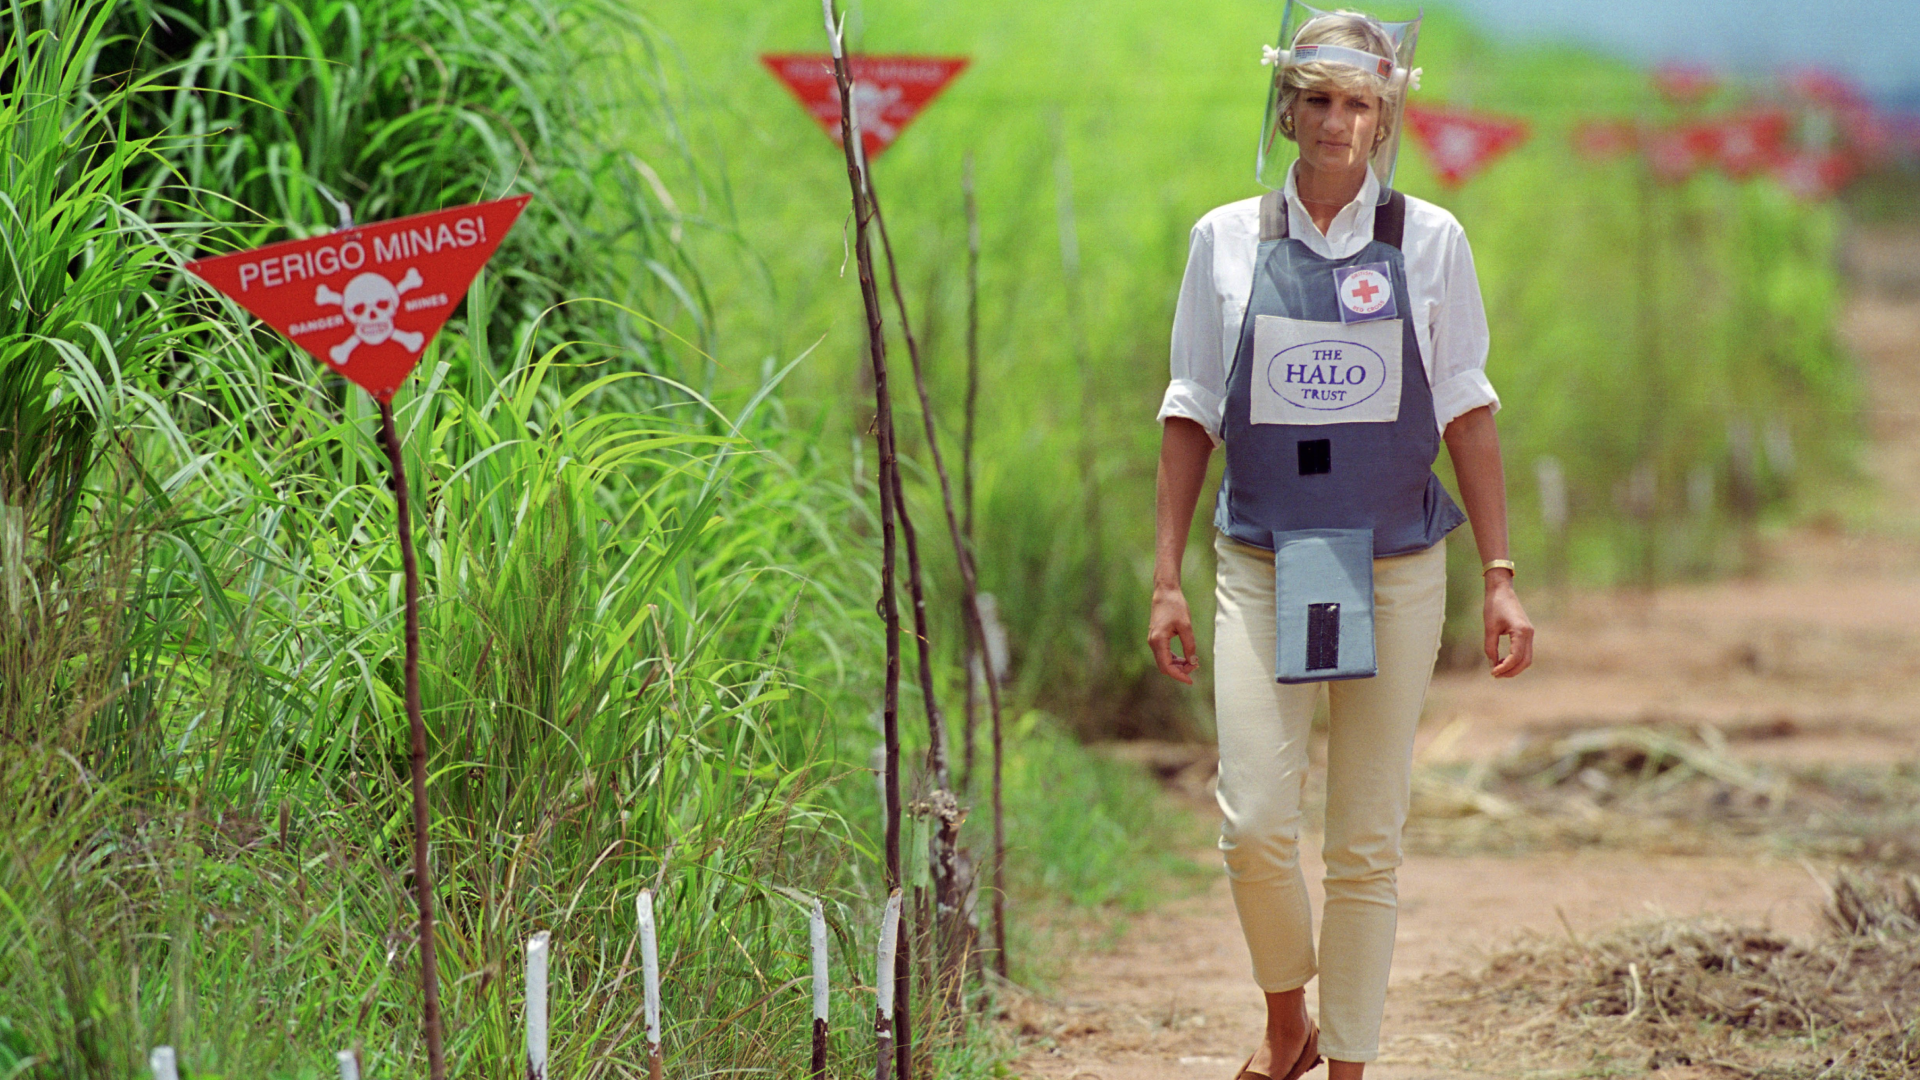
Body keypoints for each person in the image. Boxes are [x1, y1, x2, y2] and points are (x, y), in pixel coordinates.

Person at [1146, 7, 1534, 1080]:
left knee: (1367, 837)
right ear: (1285, 109)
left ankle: (1350, 1060)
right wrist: (1166, 576)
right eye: (1314, 99)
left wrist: (1500, 578)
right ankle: (1287, 1020)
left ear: (1384, 115)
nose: (1334, 121)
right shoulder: (1223, 241)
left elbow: (1468, 411)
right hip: (1263, 561)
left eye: (1356, 101)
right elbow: (1189, 409)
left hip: (1395, 563)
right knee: (1256, 820)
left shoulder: (1432, 243)